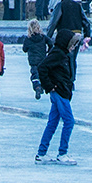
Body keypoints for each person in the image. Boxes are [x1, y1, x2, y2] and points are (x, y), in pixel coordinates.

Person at [35, 31, 81, 165]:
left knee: (53, 122)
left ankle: (41, 153)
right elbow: (42, 67)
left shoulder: (63, 54)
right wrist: (49, 86)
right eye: (72, 44)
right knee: (69, 121)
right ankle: (62, 153)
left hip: (61, 92)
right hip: (59, 92)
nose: (73, 47)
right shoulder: (57, 53)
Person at [22, 19, 50, 98]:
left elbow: (24, 49)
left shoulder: (28, 39)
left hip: (33, 61)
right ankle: (43, 86)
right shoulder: (43, 37)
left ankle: (37, 87)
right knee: (43, 73)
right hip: (42, 59)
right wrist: (48, 51)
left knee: (35, 74)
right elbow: (51, 43)